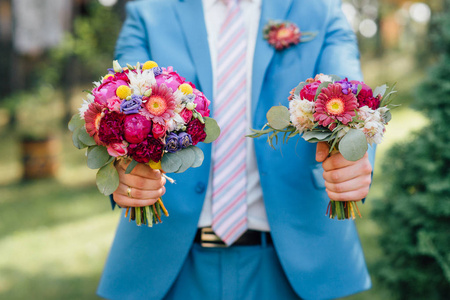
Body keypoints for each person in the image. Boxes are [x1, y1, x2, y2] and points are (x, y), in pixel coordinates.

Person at [97, 0, 375, 299]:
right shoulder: (148, 12)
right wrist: (124, 171)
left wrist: (354, 159)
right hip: (167, 261)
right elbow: (118, 107)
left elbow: (353, 100)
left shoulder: (321, 9)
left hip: (294, 262)